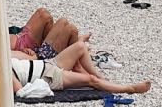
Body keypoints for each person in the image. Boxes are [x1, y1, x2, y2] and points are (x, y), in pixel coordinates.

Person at [10, 41, 151, 96]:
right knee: (91, 80)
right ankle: (129, 88)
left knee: (81, 46)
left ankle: (101, 79)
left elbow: (28, 59)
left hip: (47, 63)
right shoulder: (0, 71)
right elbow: (20, 91)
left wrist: (30, 53)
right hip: (48, 76)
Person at [11, 7, 84, 60]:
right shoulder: (2, 57)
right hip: (41, 60)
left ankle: (74, 47)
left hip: (37, 52)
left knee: (62, 21)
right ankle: (77, 65)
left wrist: (25, 51)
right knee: (72, 30)